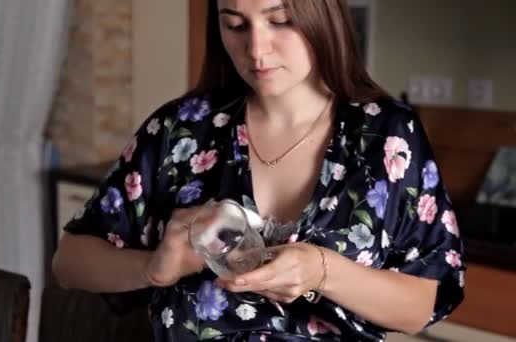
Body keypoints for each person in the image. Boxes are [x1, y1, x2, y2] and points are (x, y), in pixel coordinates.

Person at [52, 0, 466, 340]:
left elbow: (424, 304)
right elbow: (68, 262)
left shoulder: (387, 136)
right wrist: (153, 268)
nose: (256, 49)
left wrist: (322, 271)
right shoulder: (182, 130)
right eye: (234, 25)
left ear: (320, 15)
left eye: (280, 21)